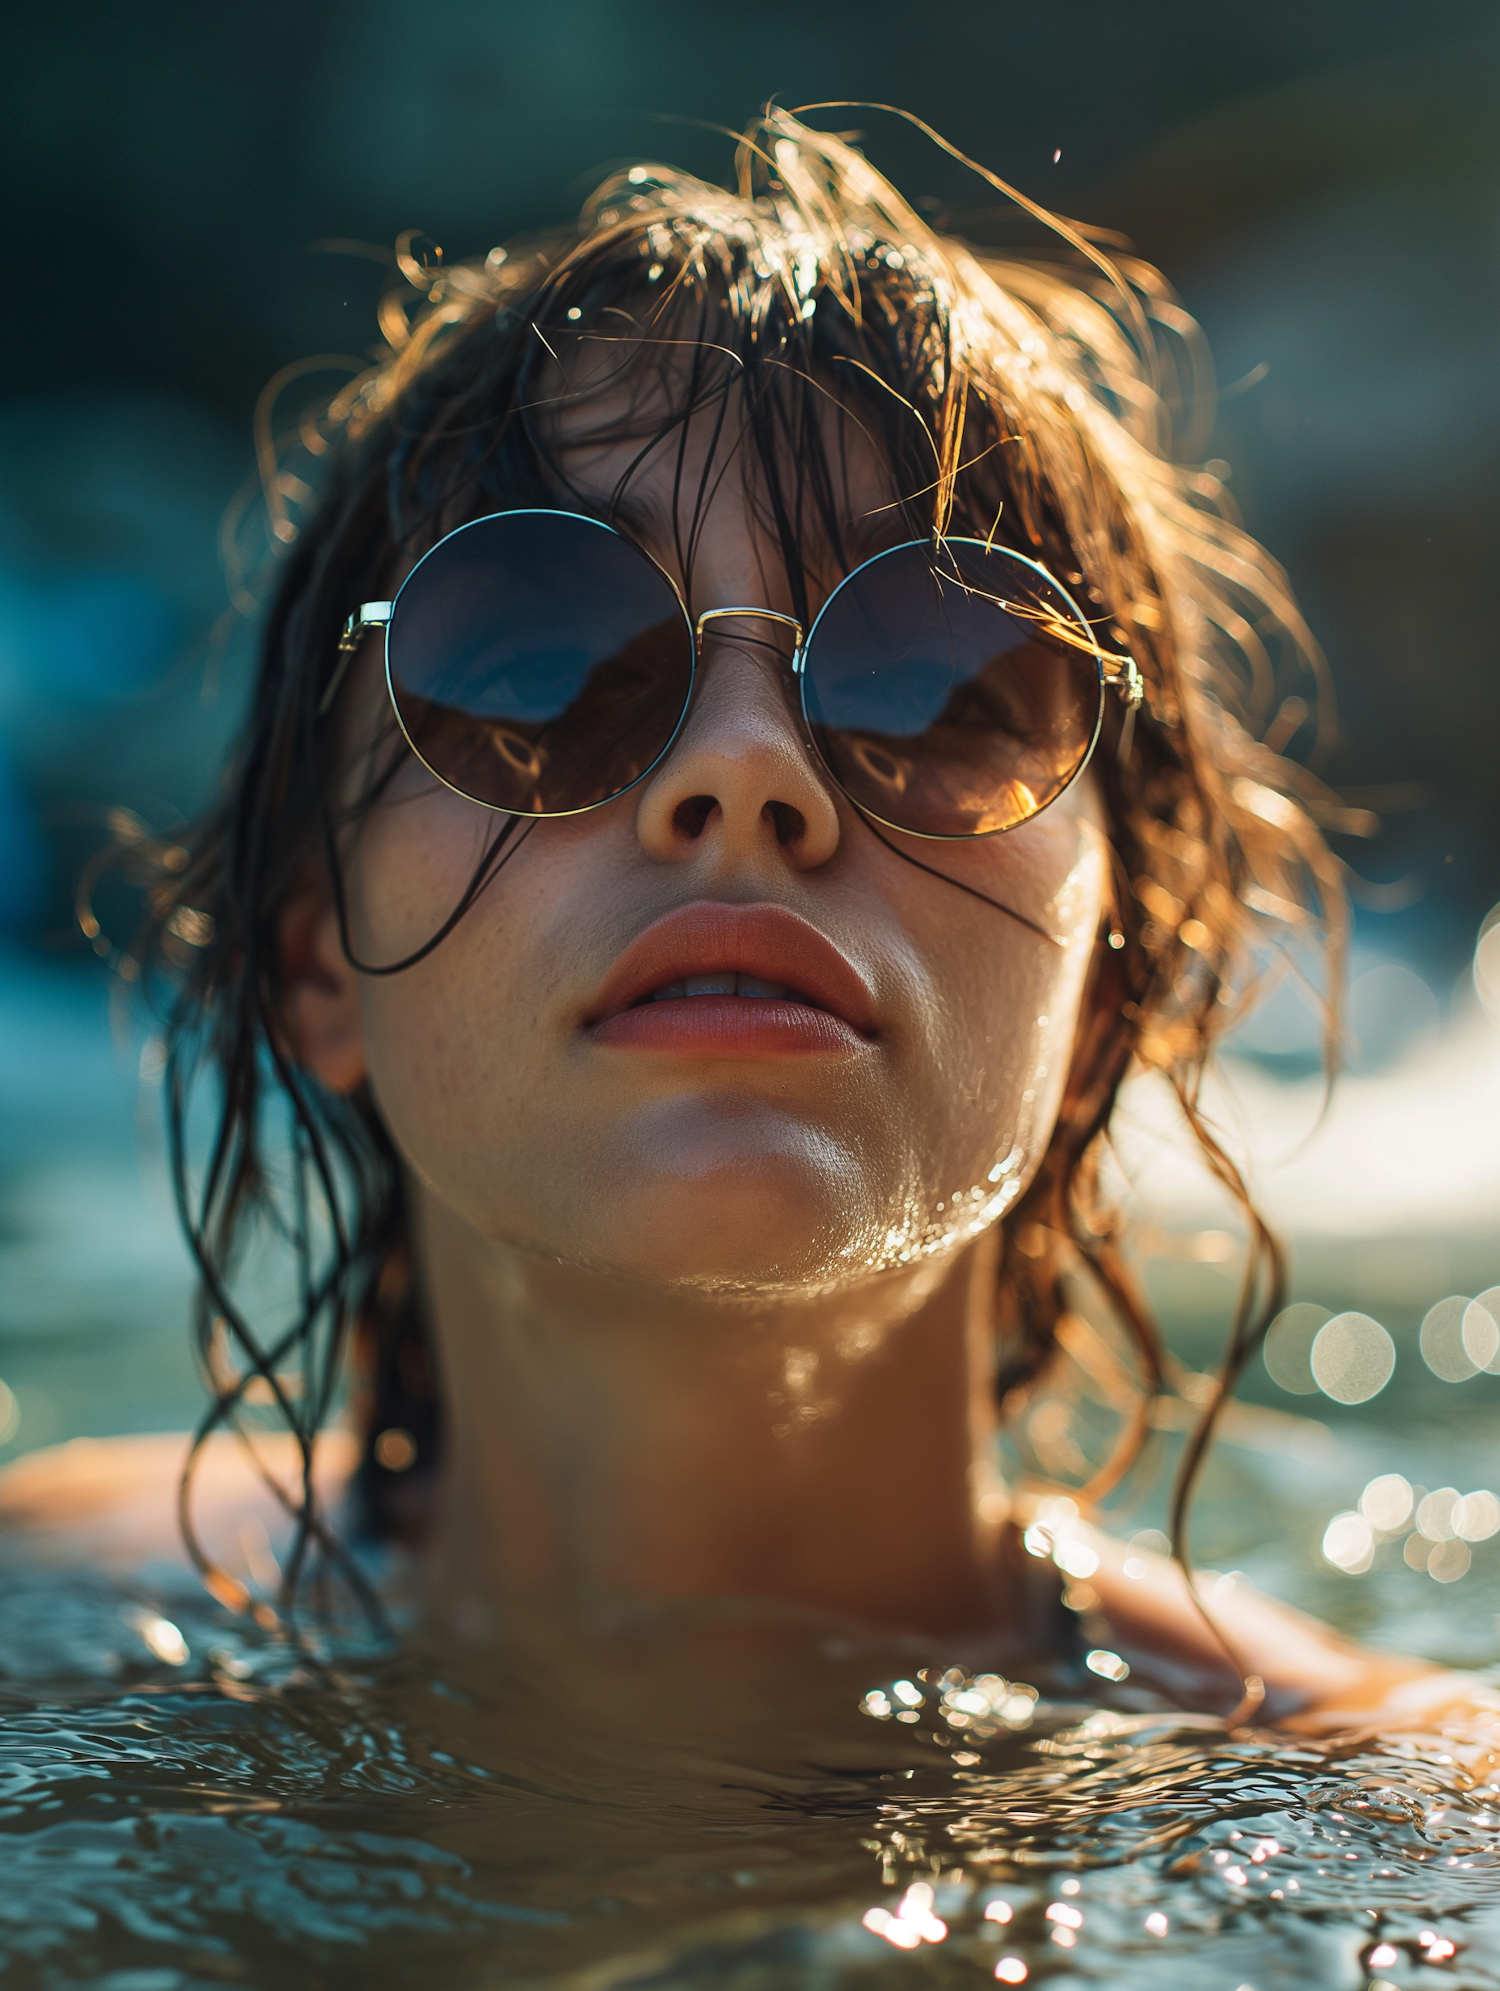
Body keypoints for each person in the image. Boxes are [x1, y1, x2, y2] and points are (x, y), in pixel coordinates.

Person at [4, 107, 1484, 1740]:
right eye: (541, 664)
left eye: (935, 674)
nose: (741, 771)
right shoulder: (42, 1622)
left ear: (1114, 981)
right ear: (313, 958)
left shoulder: (1404, 1840)